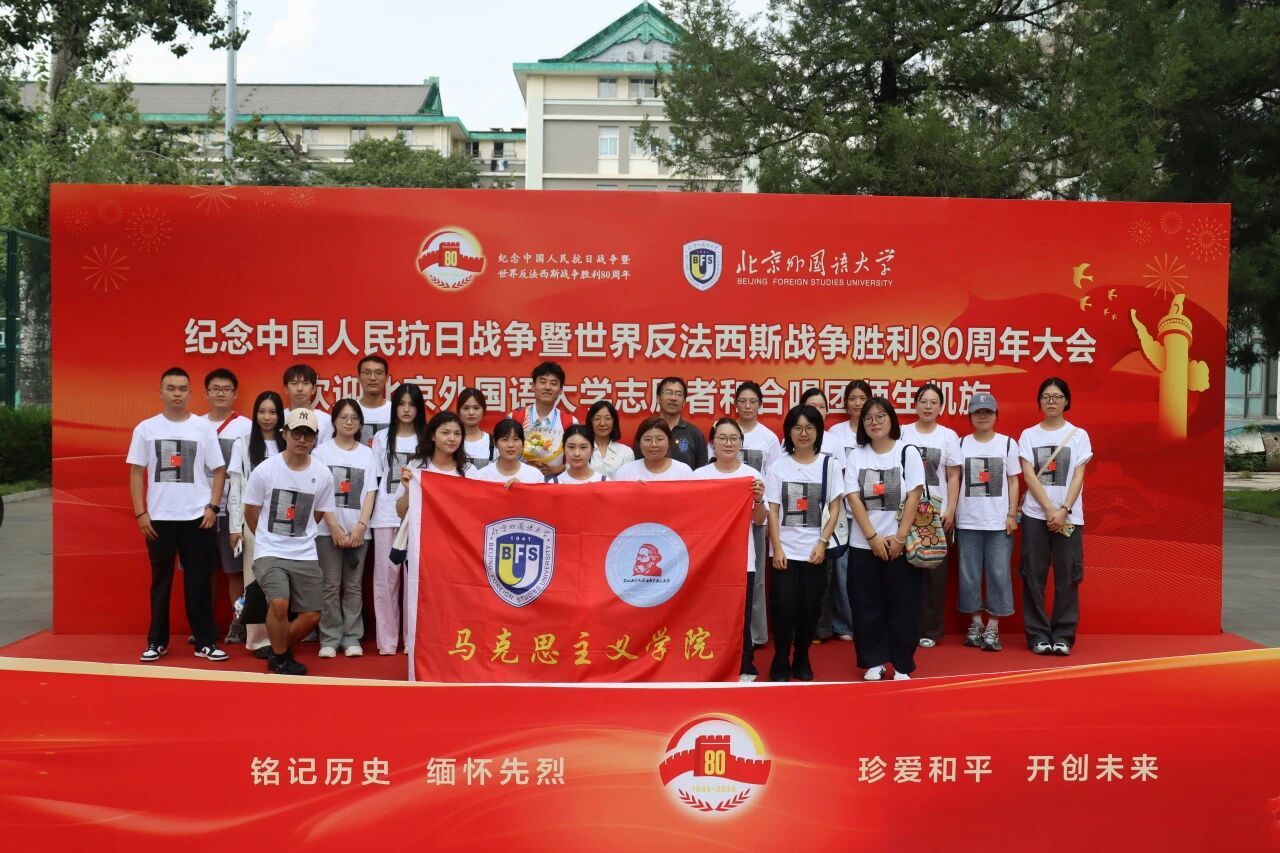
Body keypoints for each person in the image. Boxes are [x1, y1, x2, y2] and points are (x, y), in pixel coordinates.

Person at [128, 367, 229, 664]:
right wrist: (140, 513)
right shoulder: (146, 429)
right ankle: (156, 641)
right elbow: (136, 471)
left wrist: (213, 507)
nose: (176, 394)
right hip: (158, 518)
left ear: (190, 393)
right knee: (161, 582)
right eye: (171, 388)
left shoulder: (202, 428)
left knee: (199, 582)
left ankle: (205, 642)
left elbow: (219, 469)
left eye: (182, 389)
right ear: (160, 392)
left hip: (197, 518)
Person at [242, 408, 340, 676]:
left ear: (315, 438)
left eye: (308, 434)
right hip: (270, 550)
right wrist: (267, 539)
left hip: (305, 552)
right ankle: (283, 658)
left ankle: (277, 650)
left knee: (312, 615)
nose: (302, 439)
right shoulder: (266, 470)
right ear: (284, 434)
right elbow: (251, 512)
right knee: (279, 603)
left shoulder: (322, 474)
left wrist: (299, 535)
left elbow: (317, 514)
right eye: (297, 433)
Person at [845, 396, 926, 680]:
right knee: (866, 605)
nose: (874, 422)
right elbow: (853, 498)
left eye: (880, 416)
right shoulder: (856, 456)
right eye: (868, 418)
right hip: (863, 544)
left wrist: (900, 538)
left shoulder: (907, 452)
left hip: (900, 544)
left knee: (903, 606)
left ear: (892, 419)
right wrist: (872, 538)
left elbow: (914, 495)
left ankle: (902, 663)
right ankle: (874, 660)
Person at [763, 403, 844, 682]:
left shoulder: (829, 465)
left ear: (818, 431)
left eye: (809, 427)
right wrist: (777, 548)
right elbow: (773, 510)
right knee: (783, 607)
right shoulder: (777, 467)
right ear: (788, 432)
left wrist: (822, 542)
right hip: (784, 551)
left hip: (815, 550)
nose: (803, 433)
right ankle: (780, 658)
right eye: (797, 428)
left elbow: (835, 507)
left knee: (810, 608)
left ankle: (802, 656)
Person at [1018, 377, 1092, 656]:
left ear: (1066, 401)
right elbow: (1028, 475)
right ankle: (1038, 634)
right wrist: (1050, 509)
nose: (1051, 401)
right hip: (1035, 515)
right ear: (1039, 402)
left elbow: (1079, 476)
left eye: (1057, 396)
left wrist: (1064, 510)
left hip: (1069, 517)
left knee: (1068, 576)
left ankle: (1063, 635)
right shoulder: (1029, 435)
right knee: (1032, 575)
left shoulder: (1079, 435)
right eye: (1046, 397)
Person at [694, 418, 767, 682]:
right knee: (708, 615)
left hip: (741, 558)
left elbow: (759, 520)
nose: (728, 443)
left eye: (733, 438)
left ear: (741, 443)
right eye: (722, 438)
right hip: (707, 559)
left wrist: (758, 499)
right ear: (712, 443)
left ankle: (745, 666)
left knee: (740, 616)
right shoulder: (698, 476)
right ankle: (706, 663)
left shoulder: (751, 476)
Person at [393, 411, 469, 658]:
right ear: (433, 436)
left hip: (456, 549)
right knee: (423, 597)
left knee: (454, 599)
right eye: (445, 432)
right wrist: (408, 490)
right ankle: (421, 646)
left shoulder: (467, 471)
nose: (452, 438)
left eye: (457, 433)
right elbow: (400, 511)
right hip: (421, 546)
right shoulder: (417, 467)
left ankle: (451, 646)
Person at [312, 399, 379, 658]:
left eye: (354, 418)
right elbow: (318, 493)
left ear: (360, 423)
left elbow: (370, 492)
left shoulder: (367, 454)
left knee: (353, 586)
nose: (349, 422)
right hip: (327, 531)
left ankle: (352, 637)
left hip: (359, 533)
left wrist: (361, 527)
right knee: (329, 586)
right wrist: (333, 527)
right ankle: (329, 638)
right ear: (334, 421)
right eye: (343, 417)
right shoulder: (321, 453)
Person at [955, 391, 1020, 652]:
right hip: (967, 521)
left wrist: (1012, 514)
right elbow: (953, 480)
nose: (982, 416)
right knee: (968, 575)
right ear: (970, 416)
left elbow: (1014, 480)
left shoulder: (1007, 444)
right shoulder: (960, 444)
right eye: (977, 412)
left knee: (999, 573)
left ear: (996, 415)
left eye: (988, 412)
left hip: (998, 523)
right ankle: (975, 623)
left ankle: (993, 625)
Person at [901, 383, 962, 648]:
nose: (928, 406)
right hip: (907, 513)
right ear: (915, 404)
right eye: (923, 401)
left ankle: (930, 630)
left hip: (937, 514)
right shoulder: (903, 433)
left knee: (934, 575)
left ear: (941, 407)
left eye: (933, 402)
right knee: (906, 573)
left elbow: (953, 475)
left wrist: (951, 509)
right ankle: (907, 626)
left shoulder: (948, 436)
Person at [228, 391, 287, 656]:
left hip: (283, 523)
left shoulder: (288, 443)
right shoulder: (242, 445)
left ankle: (280, 636)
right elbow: (235, 488)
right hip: (252, 523)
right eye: (262, 411)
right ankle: (257, 639)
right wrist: (235, 527)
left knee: (280, 581)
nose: (267, 417)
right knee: (254, 580)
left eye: (272, 412)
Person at [370, 383, 426, 656]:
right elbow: (374, 477)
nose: (406, 409)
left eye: (411, 404)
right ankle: (387, 641)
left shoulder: (426, 438)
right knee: (385, 579)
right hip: (385, 514)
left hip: (416, 516)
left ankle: (411, 639)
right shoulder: (382, 438)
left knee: (413, 580)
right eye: (401, 404)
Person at [201, 368, 252, 644]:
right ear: (206, 393)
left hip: (234, 513)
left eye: (226, 389)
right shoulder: (196, 425)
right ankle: (205, 624)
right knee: (205, 571)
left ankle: (238, 623)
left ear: (235, 394)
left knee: (234, 572)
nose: (221, 393)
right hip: (201, 511)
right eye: (215, 389)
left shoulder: (246, 427)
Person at [820, 380, 872, 644]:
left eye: (862, 398)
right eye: (852, 398)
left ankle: (868, 621)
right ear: (845, 403)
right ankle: (844, 623)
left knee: (866, 571)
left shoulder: (876, 429)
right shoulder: (836, 433)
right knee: (841, 570)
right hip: (842, 513)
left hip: (871, 514)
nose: (857, 403)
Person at [731, 381, 783, 649]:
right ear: (735, 404)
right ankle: (731, 631)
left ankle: (756, 634)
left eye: (753, 401)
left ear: (760, 405)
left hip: (757, 513)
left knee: (757, 576)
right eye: (743, 401)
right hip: (728, 517)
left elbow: (773, 479)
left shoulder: (768, 437)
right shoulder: (726, 431)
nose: (748, 406)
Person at [509, 361, 576, 478]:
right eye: (543, 382)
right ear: (533, 386)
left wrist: (558, 469)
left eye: (554, 383)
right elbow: (502, 453)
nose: (548, 387)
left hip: (556, 483)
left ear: (561, 389)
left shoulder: (570, 422)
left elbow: (579, 457)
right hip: (520, 481)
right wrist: (524, 466)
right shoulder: (515, 417)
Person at [634, 377, 707, 470]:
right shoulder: (646, 430)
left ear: (684, 402)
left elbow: (702, 471)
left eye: (679, 394)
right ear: (658, 398)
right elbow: (637, 465)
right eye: (668, 393)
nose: (673, 398)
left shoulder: (695, 433)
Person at [615, 417, 694, 481]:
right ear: (639, 443)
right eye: (647, 439)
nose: (653, 444)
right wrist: (634, 490)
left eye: (659, 439)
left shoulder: (683, 471)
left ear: (669, 442)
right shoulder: (626, 472)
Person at [472, 418, 547, 486]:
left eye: (516, 439)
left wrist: (522, 489)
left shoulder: (535, 476)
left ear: (523, 443)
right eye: (505, 440)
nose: (510, 445)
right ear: (495, 443)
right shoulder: (482, 476)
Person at [282, 363, 333, 444]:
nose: (300, 389)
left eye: (305, 383)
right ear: (286, 389)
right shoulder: (278, 417)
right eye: (294, 383)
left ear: (313, 389)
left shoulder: (326, 420)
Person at [586, 400, 633, 478]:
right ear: (590, 422)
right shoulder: (581, 450)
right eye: (597, 419)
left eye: (607, 418)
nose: (602, 423)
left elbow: (629, 480)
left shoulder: (626, 452)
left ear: (614, 422)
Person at [356, 355, 391, 446]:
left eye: (378, 373)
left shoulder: (395, 410)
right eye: (367, 373)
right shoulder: (351, 409)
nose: (372, 378)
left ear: (386, 378)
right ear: (358, 378)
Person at [458, 387, 496, 470]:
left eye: (476, 408)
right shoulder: (452, 441)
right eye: (466, 408)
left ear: (483, 411)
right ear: (458, 412)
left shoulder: (494, 443)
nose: (471, 413)